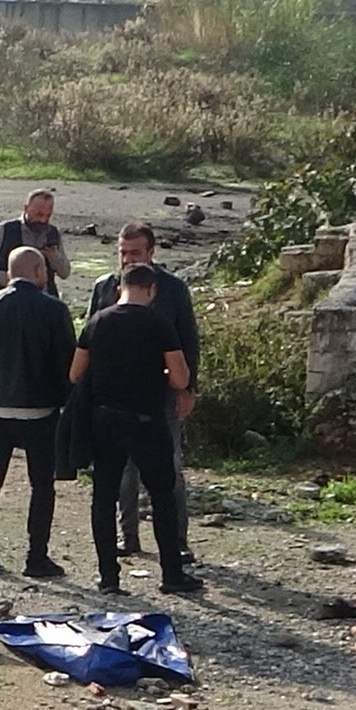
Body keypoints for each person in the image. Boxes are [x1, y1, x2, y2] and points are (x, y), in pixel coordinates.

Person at [63, 265, 202, 597]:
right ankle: (171, 573)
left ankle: (108, 576)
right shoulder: (160, 324)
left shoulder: (98, 322)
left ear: (118, 290)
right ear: (151, 290)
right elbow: (180, 380)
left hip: (105, 419)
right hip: (146, 420)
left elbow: (75, 373)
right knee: (162, 495)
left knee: (104, 496)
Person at [0, 247, 76, 574]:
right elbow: (66, 362)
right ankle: (36, 557)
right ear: (39, 271)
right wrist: (69, 406)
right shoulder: (55, 310)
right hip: (40, 409)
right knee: (41, 484)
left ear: (10, 273)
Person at [112, 222, 198, 562]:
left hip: (163, 392)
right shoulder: (106, 286)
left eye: (135, 253)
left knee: (170, 467)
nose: (128, 259)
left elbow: (188, 340)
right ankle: (127, 535)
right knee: (124, 468)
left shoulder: (173, 290)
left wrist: (188, 388)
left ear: (151, 252)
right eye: (123, 253)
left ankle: (177, 539)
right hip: (119, 395)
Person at [0, 189, 70, 291]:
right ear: (26, 208)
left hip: (44, 300)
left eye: (48, 216)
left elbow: (65, 273)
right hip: (8, 298)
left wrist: (54, 257)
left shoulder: (53, 233)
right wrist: (3, 277)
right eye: (39, 214)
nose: (43, 220)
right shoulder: (6, 230)